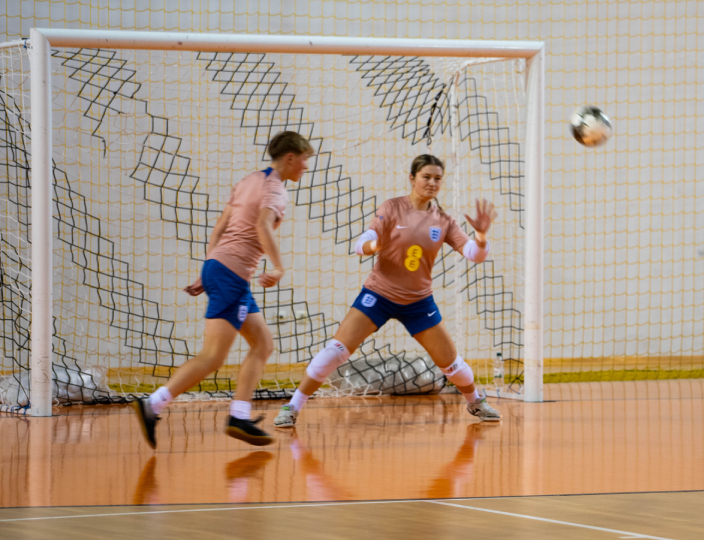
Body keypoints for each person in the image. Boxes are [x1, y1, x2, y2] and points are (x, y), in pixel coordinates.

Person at [273, 154, 501, 427]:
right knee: (333, 352)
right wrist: (375, 245)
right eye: (426, 177)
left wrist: (481, 235)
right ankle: (292, 406)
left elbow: (474, 254)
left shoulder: (443, 220)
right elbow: (362, 243)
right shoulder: (392, 208)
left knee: (452, 366)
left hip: (418, 302)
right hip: (378, 296)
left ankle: (475, 401)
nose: (432, 183)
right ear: (412, 179)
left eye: (437, 178)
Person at [131, 131, 314, 449]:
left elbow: (220, 226)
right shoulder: (275, 189)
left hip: (222, 269)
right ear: (290, 157)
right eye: (305, 160)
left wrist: (208, 268)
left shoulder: (249, 181)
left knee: (263, 343)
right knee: (213, 356)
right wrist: (278, 267)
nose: (306, 167)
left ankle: (239, 416)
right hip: (231, 275)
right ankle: (153, 405)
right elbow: (261, 226)